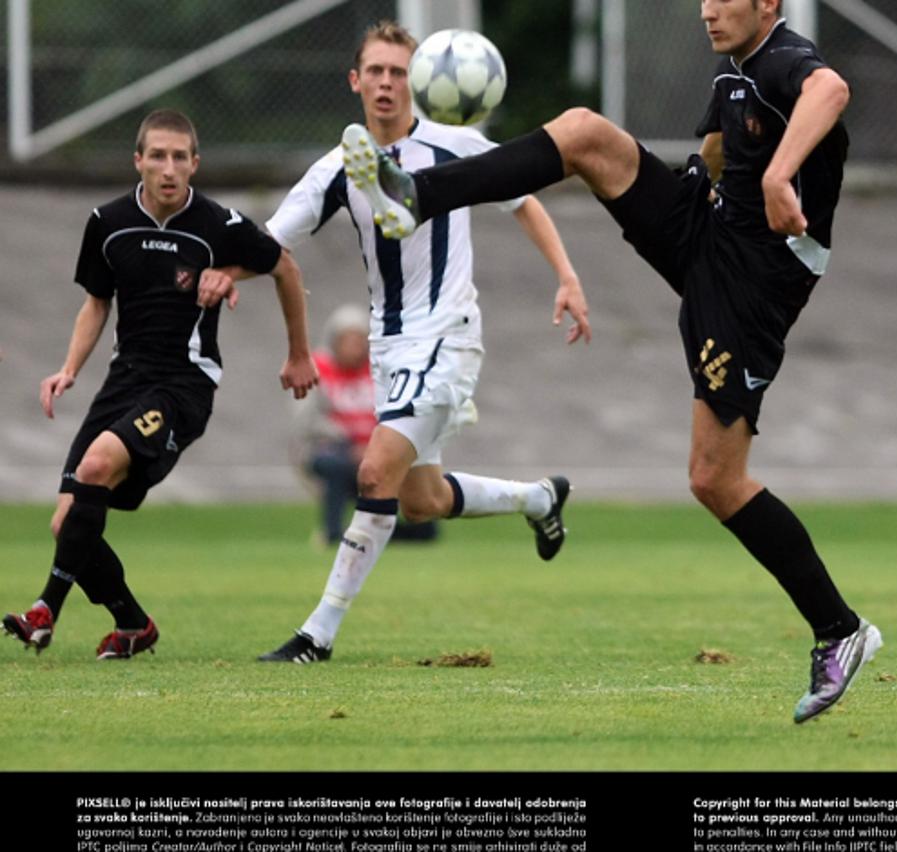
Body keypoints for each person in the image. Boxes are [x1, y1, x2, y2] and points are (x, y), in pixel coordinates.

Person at [343, 0, 880, 722]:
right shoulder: (738, 69)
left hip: (755, 281)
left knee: (714, 479)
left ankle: (841, 630)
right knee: (584, 133)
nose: (707, 9)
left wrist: (781, 176)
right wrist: (695, 181)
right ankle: (417, 195)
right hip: (708, 226)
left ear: (770, 5)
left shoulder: (785, 58)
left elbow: (831, 90)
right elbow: (722, 149)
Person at [257, 21, 591, 664]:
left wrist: (568, 276)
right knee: (420, 500)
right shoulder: (336, 168)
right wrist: (219, 268)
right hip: (388, 347)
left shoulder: (454, 143)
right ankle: (539, 498)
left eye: (397, 72)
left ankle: (316, 635)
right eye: (375, 72)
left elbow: (522, 199)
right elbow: (271, 242)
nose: (386, 83)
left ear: (416, 82)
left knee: (373, 471)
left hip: (447, 335)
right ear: (355, 81)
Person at [3, 109, 319, 659]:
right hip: (124, 381)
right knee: (67, 522)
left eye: (179, 157)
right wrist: (69, 368)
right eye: (157, 156)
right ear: (138, 161)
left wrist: (298, 354)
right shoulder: (107, 222)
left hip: (183, 385)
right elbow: (96, 302)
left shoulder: (219, 224)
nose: (168, 168)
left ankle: (44, 610)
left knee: (95, 468)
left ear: (195, 163)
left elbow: (285, 267)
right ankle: (133, 624)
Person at [297, 304, 438, 545]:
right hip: (333, 448)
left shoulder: (380, 371)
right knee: (336, 466)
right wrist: (348, 441)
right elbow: (307, 421)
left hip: (379, 447)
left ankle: (395, 533)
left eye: (360, 340)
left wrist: (377, 445)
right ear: (335, 341)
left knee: (417, 476)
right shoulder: (317, 368)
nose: (355, 346)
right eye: (348, 340)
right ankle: (332, 532)